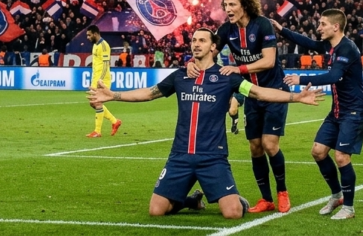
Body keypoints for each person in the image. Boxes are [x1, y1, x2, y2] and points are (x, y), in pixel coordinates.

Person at [88, 28, 324, 219]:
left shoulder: (227, 76)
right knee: (156, 211)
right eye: (193, 40)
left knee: (232, 213)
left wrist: (296, 97)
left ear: (213, 46)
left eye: (202, 40)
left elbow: (259, 93)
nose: (196, 44)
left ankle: (236, 200)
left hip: (213, 157)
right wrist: (113, 95)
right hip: (180, 156)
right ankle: (190, 200)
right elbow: (149, 93)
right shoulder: (180, 76)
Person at [188, 0, 290, 213]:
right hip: (250, 93)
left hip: (274, 91)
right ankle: (266, 199)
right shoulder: (226, 30)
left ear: (244, 5)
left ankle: (282, 191)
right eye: (225, 5)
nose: (228, 9)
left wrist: (238, 69)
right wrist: (192, 62)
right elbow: (209, 51)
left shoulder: (262, 25)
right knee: (255, 147)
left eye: (232, 4)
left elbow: (268, 61)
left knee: (270, 144)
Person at [274, 10, 363, 220]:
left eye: (322, 24)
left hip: (355, 111)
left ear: (335, 27)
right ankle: (337, 196)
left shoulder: (347, 48)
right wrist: (281, 30)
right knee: (318, 151)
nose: (319, 28)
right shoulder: (330, 46)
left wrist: (300, 79)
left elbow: (334, 75)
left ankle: (349, 208)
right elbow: (307, 42)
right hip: (338, 110)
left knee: (341, 156)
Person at [86, 25, 121, 138]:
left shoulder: (104, 45)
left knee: (97, 102)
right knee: (93, 103)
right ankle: (115, 121)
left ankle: (97, 131)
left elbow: (106, 64)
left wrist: (100, 80)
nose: (87, 37)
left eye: (89, 35)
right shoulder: (95, 45)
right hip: (96, 78)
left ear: (95, 34)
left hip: (103, 79)